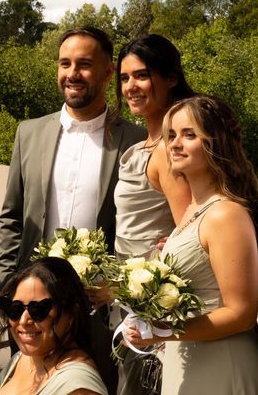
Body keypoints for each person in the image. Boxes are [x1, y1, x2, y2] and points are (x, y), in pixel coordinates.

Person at [0, 26, 146, 393]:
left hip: (101, 313)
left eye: (84, 64)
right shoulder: (28, 133)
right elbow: (12, 218)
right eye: (65, 63)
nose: (72, 73)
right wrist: (6, 290)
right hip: (34, 311)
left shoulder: (136, 139)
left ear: (109, 71)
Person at [127, 95, 258, 394]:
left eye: (189, 135)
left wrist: (160, 331)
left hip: (223, 363)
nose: (175, 144)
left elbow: (241, 314)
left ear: (215, 142)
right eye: (171, 136)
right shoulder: (193, 211)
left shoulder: (225, 214)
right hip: (189, 361)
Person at [112, 34, 193, 394]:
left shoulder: (167, 151)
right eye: (125, 78)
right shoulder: (139, 148)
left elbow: (189, 228)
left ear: (170, 77)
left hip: (153, 311)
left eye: (141, 76)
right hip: (130, 302)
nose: (131, 86)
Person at [0, 257, 107, 395]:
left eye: (38, 310)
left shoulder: (78, 388)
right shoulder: (21, 358)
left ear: (72, 313)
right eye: (15, 308)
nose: (23, 320)